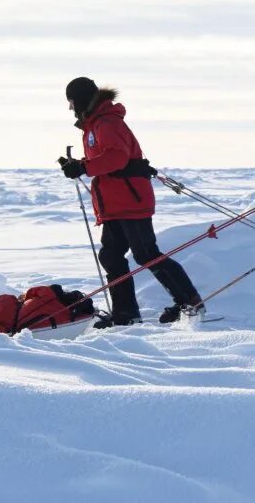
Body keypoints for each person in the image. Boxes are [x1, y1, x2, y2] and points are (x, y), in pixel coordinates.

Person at [57, 77, 203, 325]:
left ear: (80, 100)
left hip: (130, 201)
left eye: (71, 102)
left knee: (146, 253)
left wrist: (84, 166)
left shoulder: (106, 123)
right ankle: (125, 314)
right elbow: (106, 158)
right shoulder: (95, 125)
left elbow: (116, 158)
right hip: (115, 203)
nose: (70, 108)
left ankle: (190, 302)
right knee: (111, 257)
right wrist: (80, 165)